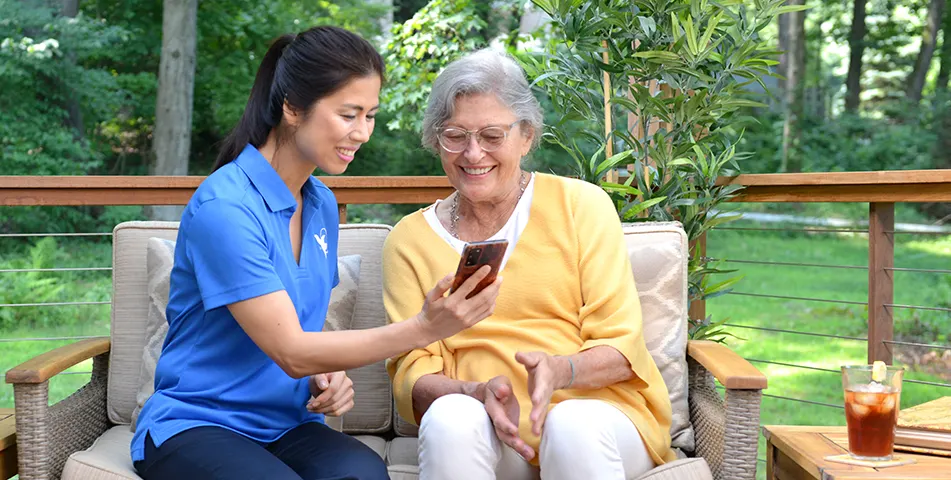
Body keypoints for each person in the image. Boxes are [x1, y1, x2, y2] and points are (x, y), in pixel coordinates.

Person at [131, 26, 502, 480]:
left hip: (285, 424)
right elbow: (292, 350)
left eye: (370, 115)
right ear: (292, 107)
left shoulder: (320, 203)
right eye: (349, 114)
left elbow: (301, 338)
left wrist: (326, 376)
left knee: (365, 474)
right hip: (195, 424)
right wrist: (425, 328)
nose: (363, 132)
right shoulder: (225, 208)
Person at [382, 48, 677, 480]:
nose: (473, 153)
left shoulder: (581, 206)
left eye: (492, 136)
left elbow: (621, 347)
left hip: (600, 418)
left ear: (527, 136)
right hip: (491, 429)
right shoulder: (409, 240)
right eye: (456, 135)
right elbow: (412, 375)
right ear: (436, 140)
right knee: (450, 417)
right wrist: (475, 392)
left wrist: (562, 370)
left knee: (570, 425)